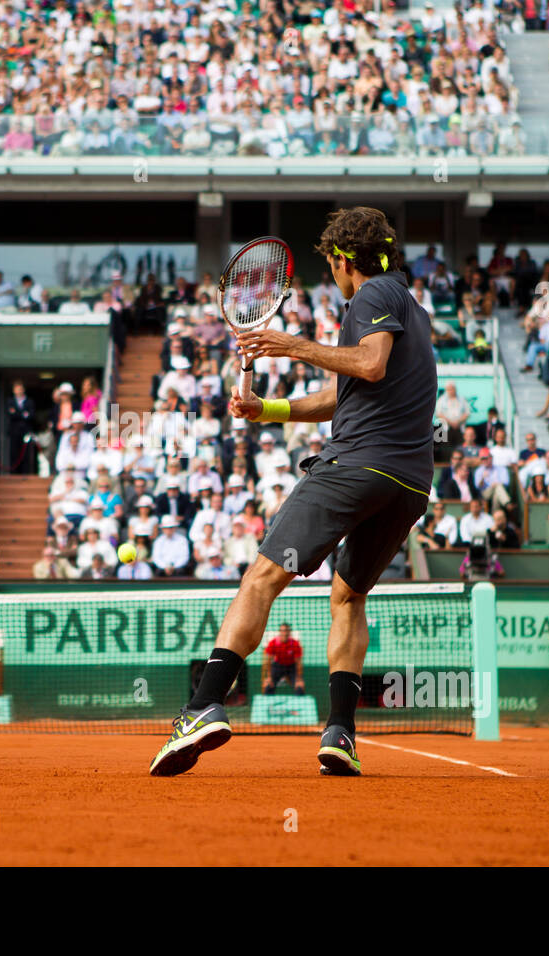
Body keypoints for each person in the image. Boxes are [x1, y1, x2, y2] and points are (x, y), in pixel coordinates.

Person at [150, 207, 435, 778]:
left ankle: (204, 704)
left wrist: (291, 345)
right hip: (407, 484)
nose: (330, 272)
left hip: (356, 466)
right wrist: (270, 409)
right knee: (348, 597)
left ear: (342, 259)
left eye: (330, 262)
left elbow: (370, 366)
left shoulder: (372, 293)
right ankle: (341, 735)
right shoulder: (411, 307)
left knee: (261, 578)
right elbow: (346, 392)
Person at [261, 623, 305, 695]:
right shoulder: (273, 643)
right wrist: (269, 677)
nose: (284, 633)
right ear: (280, 632)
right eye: (282, 631)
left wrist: (299, 679)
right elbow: (268, 661)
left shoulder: (295, 644)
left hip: (291, 667)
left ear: (289, 632)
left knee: (299, 687)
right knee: (268, 686)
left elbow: (298, 663)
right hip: (278, 666)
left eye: (286, 631)